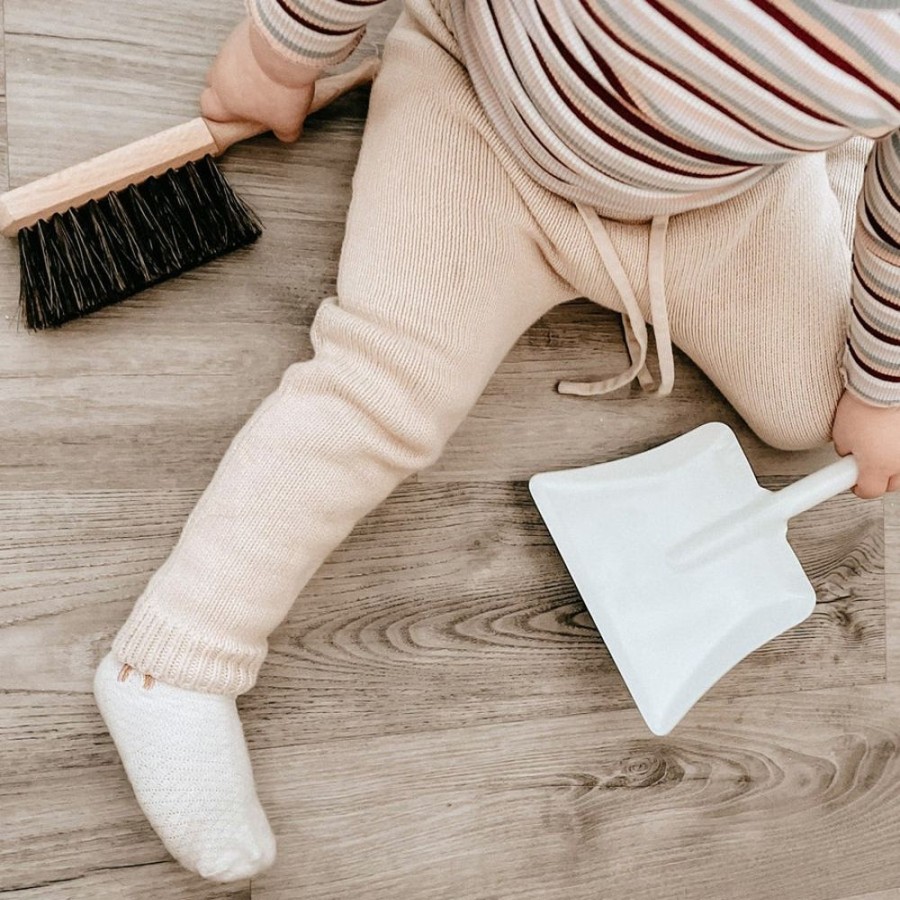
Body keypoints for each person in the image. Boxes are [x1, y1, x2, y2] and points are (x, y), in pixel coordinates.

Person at [93, 0, 900, 883]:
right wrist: (283, 51)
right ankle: (175, 657)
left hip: (720, 195)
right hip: (480, 118)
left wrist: (879, 382)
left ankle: (833, 161)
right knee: (384, 385)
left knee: (809, 408)